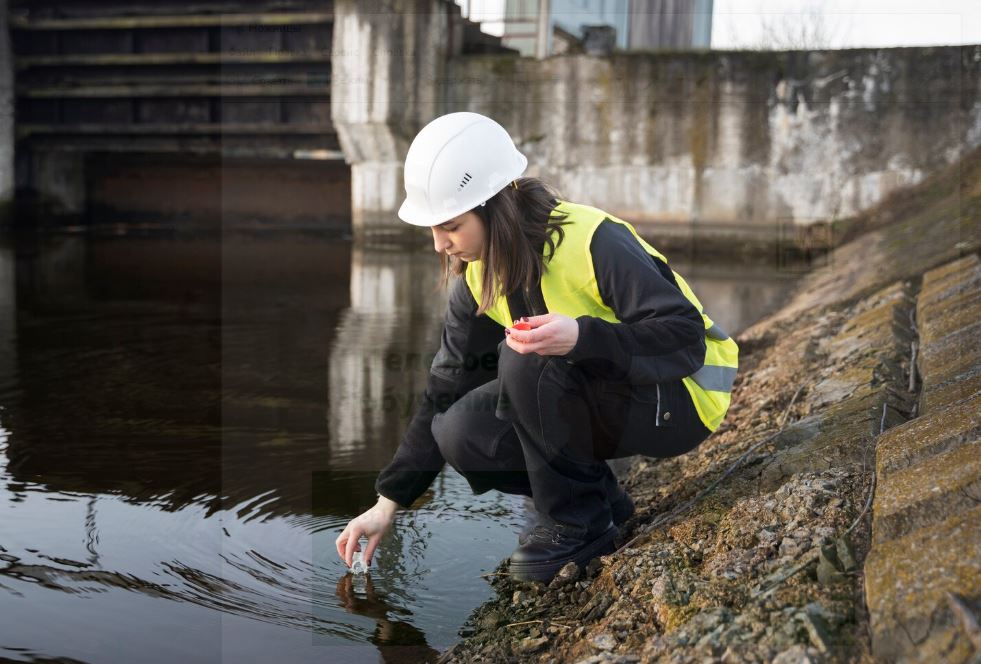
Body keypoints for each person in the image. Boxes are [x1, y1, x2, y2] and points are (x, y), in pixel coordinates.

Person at [336, 112, 738, 583]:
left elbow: (684, 336)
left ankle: (576, 526)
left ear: (494, 207)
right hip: (617, 395)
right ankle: (601, 505)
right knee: (461, 432)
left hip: (682, 399)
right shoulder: (478, 279)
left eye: (451, 226)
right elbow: (443, 391)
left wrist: (583, 337)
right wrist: (388, 502)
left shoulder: (593, 241)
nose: (440, 245)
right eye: (433, 229)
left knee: (525, 357)